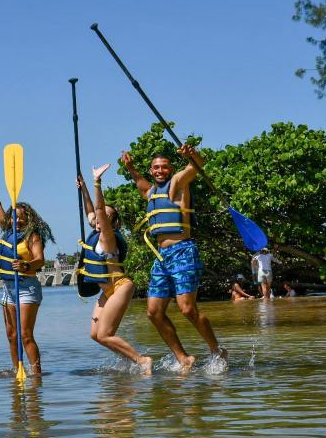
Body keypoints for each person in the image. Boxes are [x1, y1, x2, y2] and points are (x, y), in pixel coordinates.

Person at [121, 145, 226, 371]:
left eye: (164, 167)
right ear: (151, 170)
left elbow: (196, 165)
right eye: (156, 168)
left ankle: (217, 349)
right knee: (154, 312)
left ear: (170, 169)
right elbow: (138, 180)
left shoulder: (178, 183)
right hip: (161, 257)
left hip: (183, 251)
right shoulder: (149, 193)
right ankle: (183, 358)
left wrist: (192, 153)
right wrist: (130, 168)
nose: (160, 171)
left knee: (187, 309)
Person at [77, 164, 153, 374]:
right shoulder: (96, 231)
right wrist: (83, 188)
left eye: (107, 217)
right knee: (95, 334)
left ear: (111, 221)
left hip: (120, 286)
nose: (100, 219)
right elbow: (91, 211)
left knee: (105, 334)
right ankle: (130, 361)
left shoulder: (108, 237)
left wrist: (97, 182)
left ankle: (142, 360)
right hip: (106, 290)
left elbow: (99, 211)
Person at [0, 160, 55, 375]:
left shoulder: (32, 235)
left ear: (28, 218)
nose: (17, 219)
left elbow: (40, 260)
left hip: (27, 287)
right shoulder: (7, 229)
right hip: (8, 289)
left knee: (25, 334)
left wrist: (25, 264)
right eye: (15, 215)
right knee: (11, 334)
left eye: (21, 216)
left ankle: (37, 375)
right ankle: (18, 371)